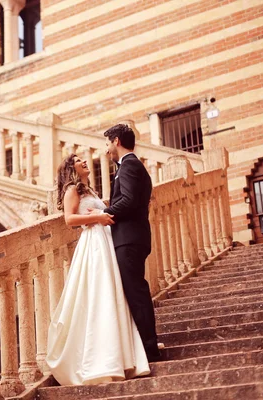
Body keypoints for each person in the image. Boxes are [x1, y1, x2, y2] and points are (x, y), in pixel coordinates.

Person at [46, 154, 150, 386]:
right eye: (78, 160)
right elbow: (69, 219)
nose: (84, 161)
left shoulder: (90, 191)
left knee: (114, 293)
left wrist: (102, 215)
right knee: (98, 294)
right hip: (93, 243)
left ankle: (123, 355)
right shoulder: (73, 189)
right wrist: (98, 218)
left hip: (106, 241)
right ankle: (101, 359)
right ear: (70, 168)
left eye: (84, 158)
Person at [101, 123, 162, 362]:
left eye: (107, 143)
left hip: (129, 240)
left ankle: (149, 348)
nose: (106, 148)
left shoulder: (128, 166)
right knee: (135, 292)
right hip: (133, 238)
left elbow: (127, 201)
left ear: (116, 140)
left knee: (136, 293)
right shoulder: (132, 166)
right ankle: (145, 345)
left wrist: (105, 214)